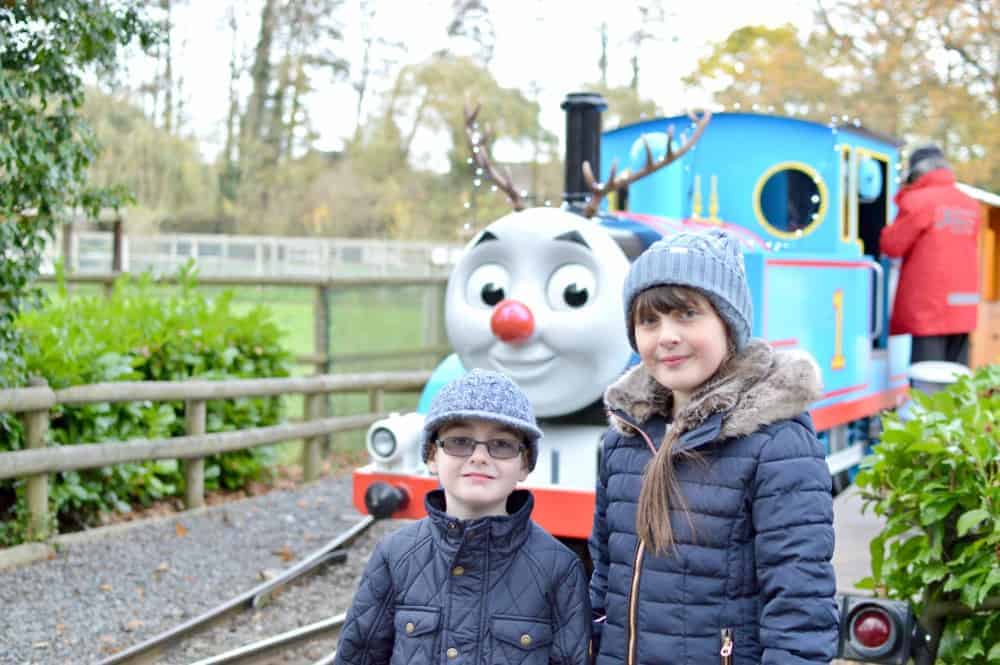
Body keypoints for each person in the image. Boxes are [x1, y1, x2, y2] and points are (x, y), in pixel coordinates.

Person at [588, 229, 838, 665]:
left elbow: (800, 611)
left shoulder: (776, 445)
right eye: (649, 321)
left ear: (729, 323)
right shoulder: (623, 441)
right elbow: (604, 584)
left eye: (686, 314)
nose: (666, 335)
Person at [334, 369, 591, 665]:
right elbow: (358, 656)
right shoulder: (395, 555)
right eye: (459, 441)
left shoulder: (558, 568)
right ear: (432, 456)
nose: (480, 457)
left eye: (502, 445)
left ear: (525, 464)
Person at [881, 144, 981, 365]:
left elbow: (891, 245)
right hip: (964, 305)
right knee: (958, 378)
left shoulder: (919, 201)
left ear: (916, 172)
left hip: (929, 308)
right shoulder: (970, 204)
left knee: (928, 380)